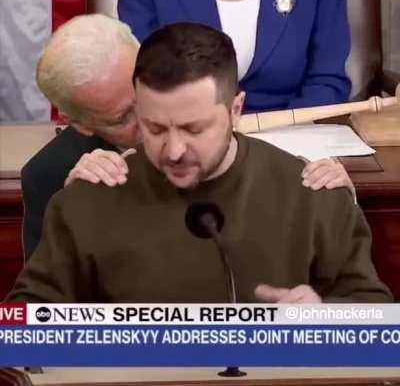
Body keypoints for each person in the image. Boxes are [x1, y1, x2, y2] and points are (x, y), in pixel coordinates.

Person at [9, 22, 391, 303]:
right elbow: (22, 323)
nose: (174, 150)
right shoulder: (88, 198)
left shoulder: (314, 194)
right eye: (154, 128)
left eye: (194, 129)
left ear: (235, 110)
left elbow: (373, 313)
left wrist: (324, 317)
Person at [118, 0, 351, 113]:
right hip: (183, 139)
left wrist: (285, 138)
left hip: (290, 138)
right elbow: (143, 78)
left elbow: (327, 80)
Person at [21, 14, 141, 260]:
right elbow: (44, 283)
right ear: (79, 123)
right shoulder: (48, 175)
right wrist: (74, 216)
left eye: (145, 92)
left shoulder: (205, 114)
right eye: (122, 119)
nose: (149, 119)